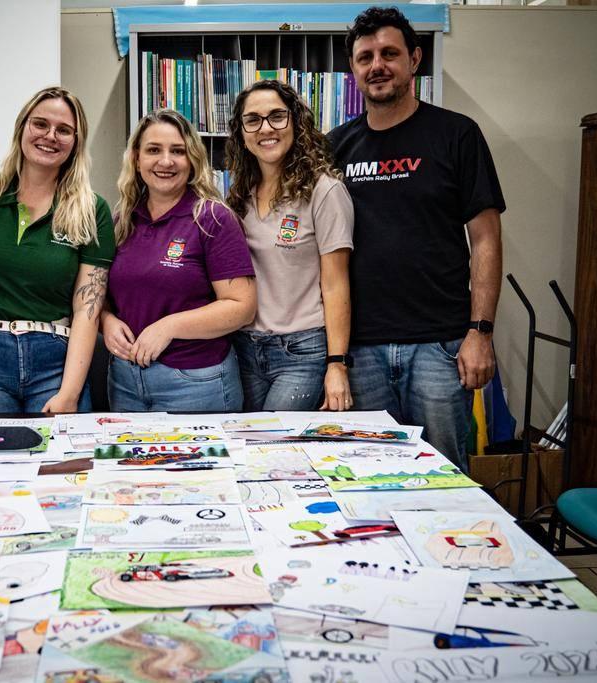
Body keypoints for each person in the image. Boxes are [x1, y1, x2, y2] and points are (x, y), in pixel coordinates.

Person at [328, 7, 505, 472]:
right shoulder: (334, 148)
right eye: (365, 57)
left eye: (389, 53)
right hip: (362, 347)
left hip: (440, 345)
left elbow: (485, 240)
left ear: (415, 60)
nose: (377, 66)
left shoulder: (456, 135)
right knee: (369, 475)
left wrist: (480, 333)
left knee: (445, 478)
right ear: (353, 69)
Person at [0, 87, 113, 413]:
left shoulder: (91, 211)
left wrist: (69, 393)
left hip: (55, 357)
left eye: (64, 130)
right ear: (22, 127)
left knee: (64, 463)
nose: (50, 136)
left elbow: (87, 309)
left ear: (76, 141)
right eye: (40, 124)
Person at [102, 109, 256, 411]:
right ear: (136, 158)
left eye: (178, 151)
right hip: (124, 381)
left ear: (193, 160)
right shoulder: (121, 222)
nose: (165, 161)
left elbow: (242, 307)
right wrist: (106, 322)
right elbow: (101, 295)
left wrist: (168, 327)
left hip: (196, 384)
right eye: (153, 150)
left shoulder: (212, 218)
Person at [225, 80, 355, 412]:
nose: (265, 128)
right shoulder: (239, 195)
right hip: (243, 348)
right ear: (241, 133)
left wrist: (337, 364)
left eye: (276, 117)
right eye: (252, 120)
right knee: (250, 453)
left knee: (271, 447)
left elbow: (336, 283)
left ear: (295, 122)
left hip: (300, 352)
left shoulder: (324, 191)